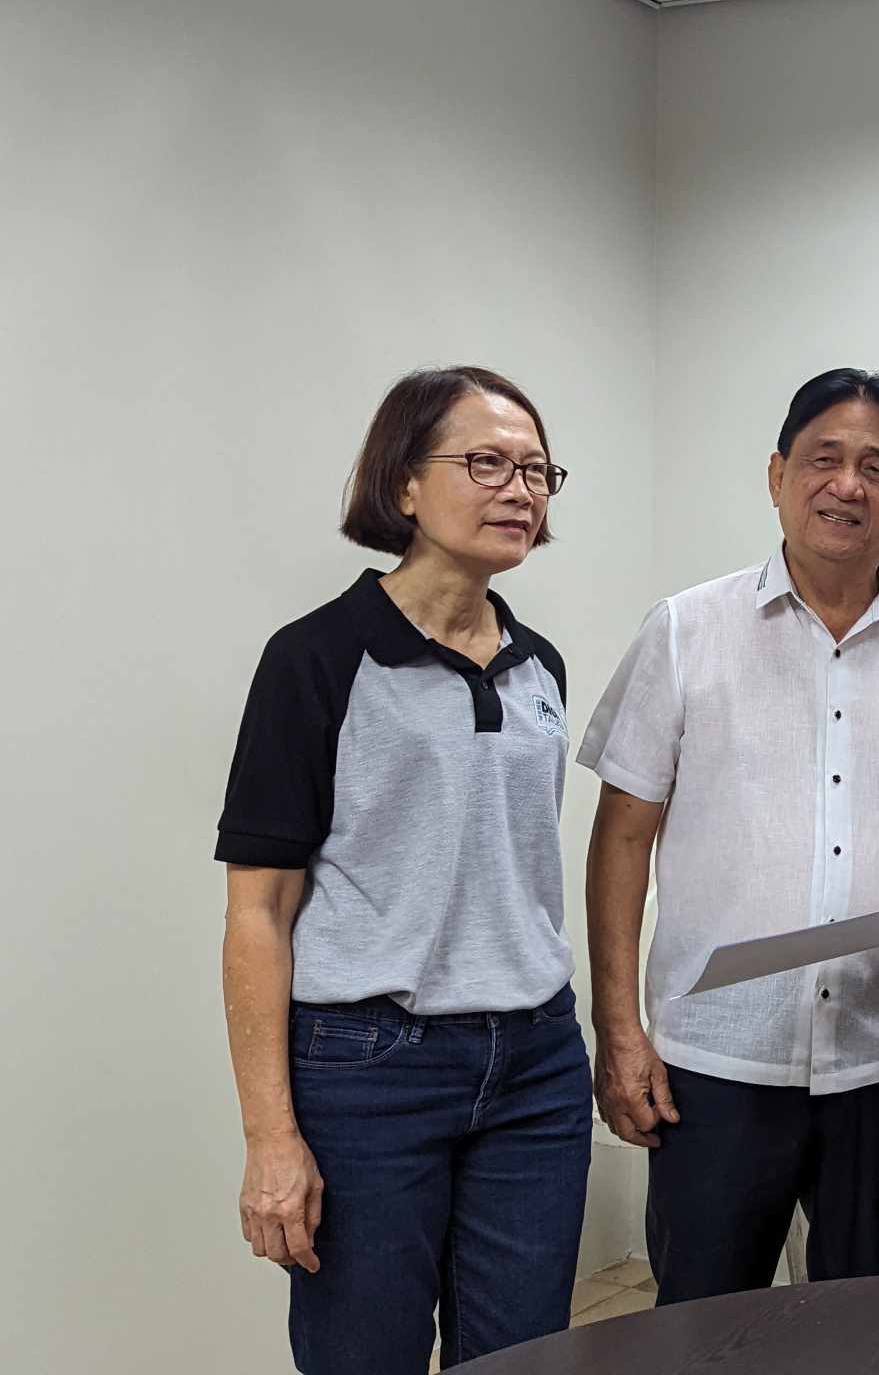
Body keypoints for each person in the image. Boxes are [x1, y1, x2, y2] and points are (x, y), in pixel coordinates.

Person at [578, 368, 879, 1303]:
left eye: (877, 469)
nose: (848, 485)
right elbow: (622, 840)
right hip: (716, 1062)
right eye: (824, 460)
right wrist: (619, 1029)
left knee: (868, 1331)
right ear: (777, 475)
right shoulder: (686, 630)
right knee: (701, 1329)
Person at [217, 368, 590, 1373]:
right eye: (487, 463)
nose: (521, 489)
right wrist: (271, 1138)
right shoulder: (317, 659)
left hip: (537, 1066)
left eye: (537, 470)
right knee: (362, 1356)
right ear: (404, 485)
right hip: (369, 1066)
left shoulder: (539, 664)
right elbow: (259, 911)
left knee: (522, 1356)